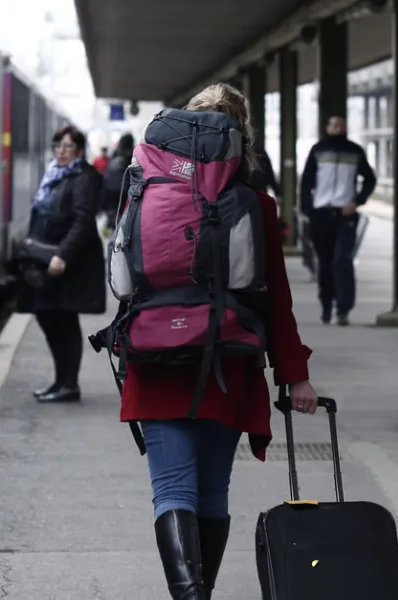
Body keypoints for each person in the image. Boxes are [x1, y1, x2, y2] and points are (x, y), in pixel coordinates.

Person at [118, 83, 320, 600]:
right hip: (228, 362)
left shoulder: (144, 186)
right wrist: (294, 373)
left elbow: (124, 280)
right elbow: (276, 298)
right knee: (211, 491)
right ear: (241, 134)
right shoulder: (254, 203)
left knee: (172, 490)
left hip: (157, 356)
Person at [17, 125, 107, 404]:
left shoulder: (83, 178)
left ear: (79, 150)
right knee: (49, 317)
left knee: (63, 321)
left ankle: (68, 385)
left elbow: (82, 221)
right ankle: (61, 381)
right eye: (58, 146)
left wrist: (63, 255)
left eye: (68, 147)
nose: (62, 151)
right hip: (48, 259)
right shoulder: (56, 174)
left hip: (67, 263)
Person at [299, 116, 377, 326]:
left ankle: (343, 309)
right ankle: (326, 305)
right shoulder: (318, 150)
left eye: (341, 125)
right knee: (325, 263)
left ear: (346, 128)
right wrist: (308, 209)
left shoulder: (355, 151)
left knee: (342, 260)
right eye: (333, 125)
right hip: (321, 214)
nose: (337, 128)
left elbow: (370, 179)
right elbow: (306, 181)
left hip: (346, 215)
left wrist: (357, 201)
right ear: (326, 127)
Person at [100, 133, 135, 229]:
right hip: (122, 195)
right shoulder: (130, 158)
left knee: (114, 222)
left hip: (110, 195)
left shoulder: (113, 157)